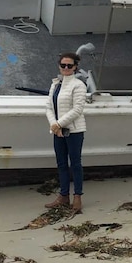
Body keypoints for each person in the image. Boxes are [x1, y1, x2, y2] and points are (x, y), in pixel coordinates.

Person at [44, 52, 87, 213]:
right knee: (61, 164)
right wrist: (54, 125)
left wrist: (59, 124)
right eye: (63, 65)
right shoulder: (55, 84)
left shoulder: (78, 85)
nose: (66, 68)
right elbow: (49, 107)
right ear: (59, 66)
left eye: (70, 65)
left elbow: (77, 109)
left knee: (75, 164)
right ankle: (63, 196)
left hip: (74, 131)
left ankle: (77, 196)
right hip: (58, 131)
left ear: (75, 67)